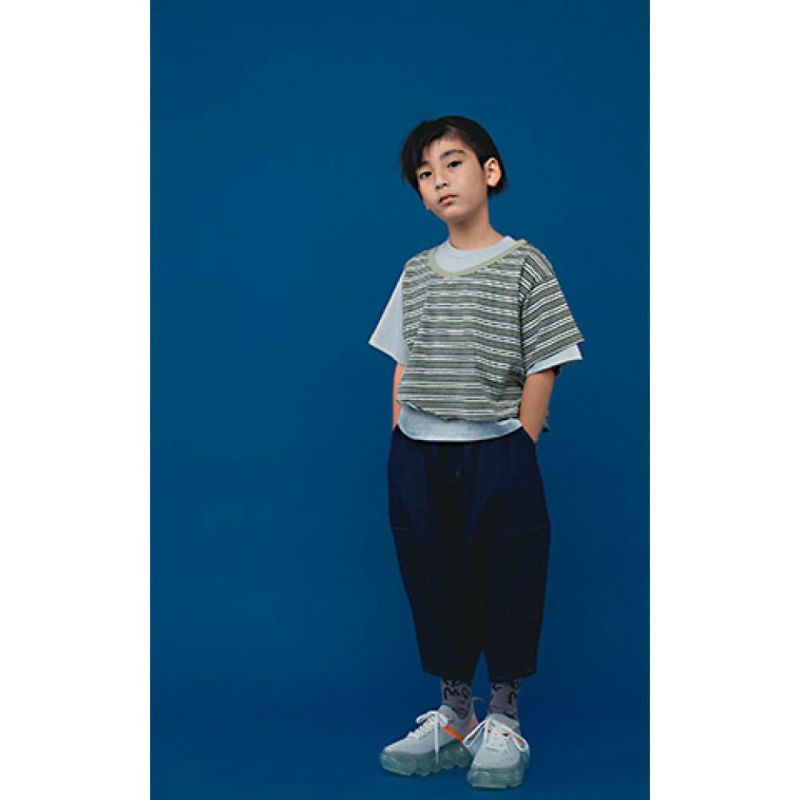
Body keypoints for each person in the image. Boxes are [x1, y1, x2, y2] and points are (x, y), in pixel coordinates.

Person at [368, 115, 585, 790]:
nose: (439, 180)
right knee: (433, 574)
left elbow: (547, 358)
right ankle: (454, 713)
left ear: (490, 172)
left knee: (509, 574)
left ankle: (504, 715)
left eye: (453, 163)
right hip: (419, 452)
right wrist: (400, 431)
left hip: (497, 451)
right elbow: (403, 358)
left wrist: (520, 443)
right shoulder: (416, 272)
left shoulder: (524, 263)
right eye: (424, 174)